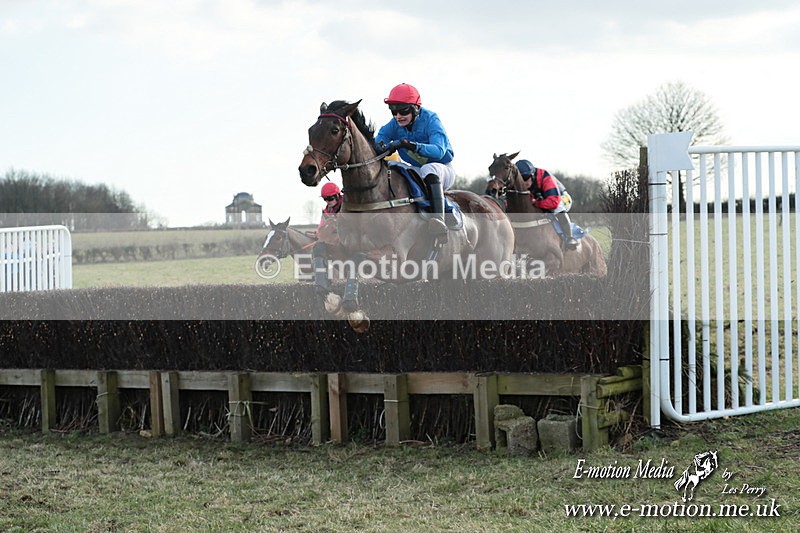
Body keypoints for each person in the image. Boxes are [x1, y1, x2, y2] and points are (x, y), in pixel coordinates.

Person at [375, 83, 455, 241]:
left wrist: (411, 145)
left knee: (428, 169)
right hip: (416, 170)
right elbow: (377, 143)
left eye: (403, 110)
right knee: (393, 167)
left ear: (415, 108)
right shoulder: (394, 125)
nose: (398, 116)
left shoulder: (431, 119)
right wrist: (383, 147)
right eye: (394, 111)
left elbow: (440, 151)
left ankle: (439, 220)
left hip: (442, 169)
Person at [515, 159, 578, 249]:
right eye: (520, 180)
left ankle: (569, 237)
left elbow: (554, 202)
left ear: (532, 175)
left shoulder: (544, 176)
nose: (523, 183)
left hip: (562, 198)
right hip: (542, 200)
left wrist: (537, 203)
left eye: (525, 178)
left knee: (558, 207)